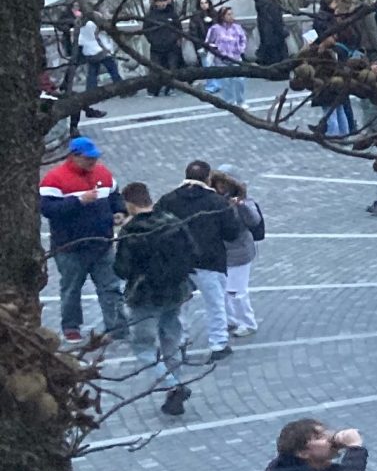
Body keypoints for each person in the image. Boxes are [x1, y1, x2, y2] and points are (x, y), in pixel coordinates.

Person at [113, 180, 196, 415]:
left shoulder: (132, 230)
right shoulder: (173, 221)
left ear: (129, 204)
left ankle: (171, 385)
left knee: (143, 345)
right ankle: (175, 382)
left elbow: (122, 269)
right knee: (171, 337)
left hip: (145, 294)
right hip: (176, 291)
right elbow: (192, 252)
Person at [41, 135, 125, 344]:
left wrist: (119, 211)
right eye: (88, 158)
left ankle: (117, 326)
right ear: (74, 156)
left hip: (101, 243)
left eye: (94, 158)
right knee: (71, 289)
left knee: (110, 287)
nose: (93, 162)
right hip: (70, 247)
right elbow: (48, 209)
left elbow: (115, 196)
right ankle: (71, 326)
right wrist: (78, 201)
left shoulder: (103, 173)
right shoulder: (54, 179)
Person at [161, 161, 240, 360]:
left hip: (178, 261)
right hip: (210, 260)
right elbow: (231, 232)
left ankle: (180, 343)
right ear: (207, 179)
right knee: (215, 304)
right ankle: (218, 344)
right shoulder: (216, 202)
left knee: (180, 305)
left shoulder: (168, 200)